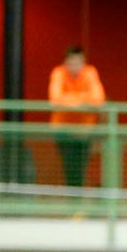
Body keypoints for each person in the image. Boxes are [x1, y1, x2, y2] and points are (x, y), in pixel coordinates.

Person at [47, 45, 105, 189]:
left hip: (84, 132)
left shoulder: (90, 72)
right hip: (62, 130)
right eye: (71, 63)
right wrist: (83, 101)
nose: (75, 67)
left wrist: (70, 101)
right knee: (69, 166)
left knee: (80, 167)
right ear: (65, 63)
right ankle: (73, 202)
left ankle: (77, 204)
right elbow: (55, 99)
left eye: (78, 63)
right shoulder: (58, 73)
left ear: (83, 62)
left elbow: (98, 99)